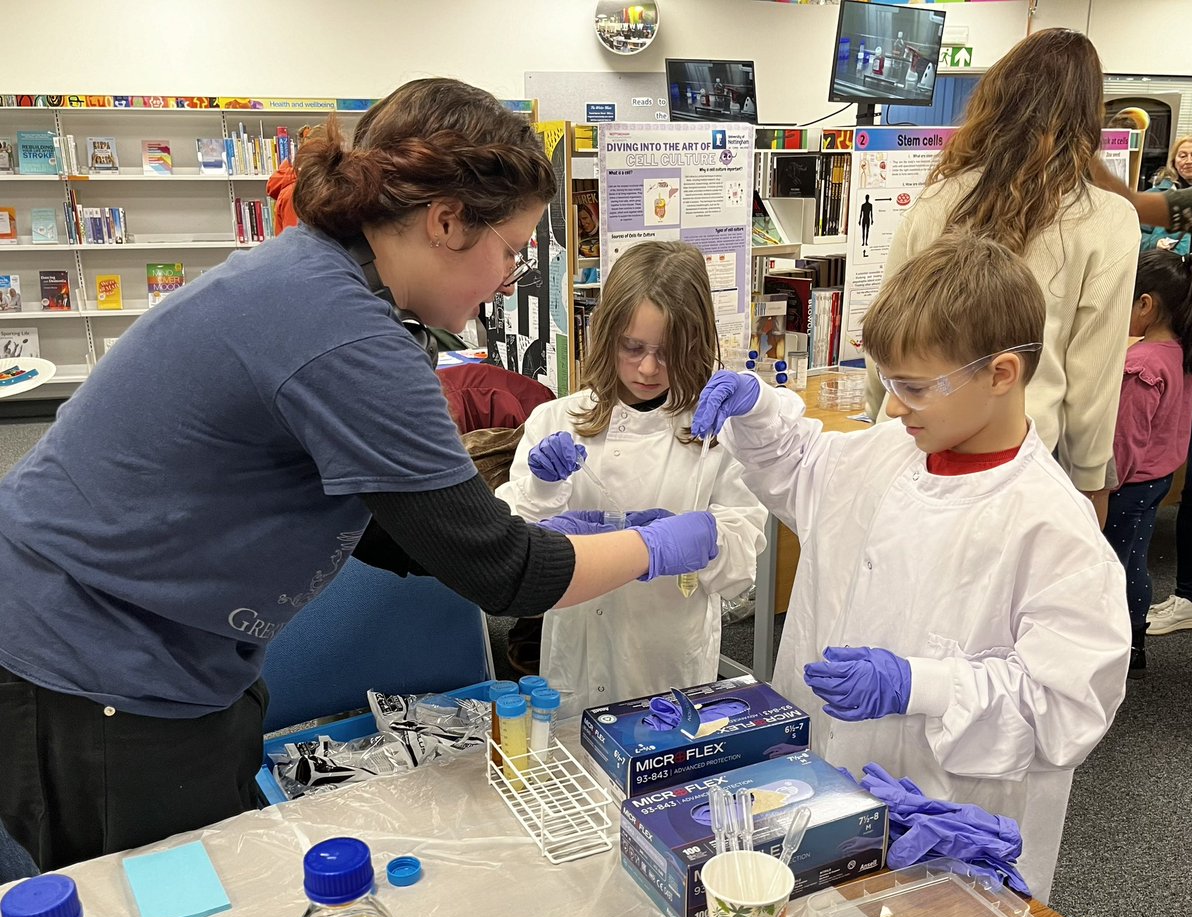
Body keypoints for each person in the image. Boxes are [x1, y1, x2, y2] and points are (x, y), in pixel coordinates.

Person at [0, 79, 719, 872]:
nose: (511, 276)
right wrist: (652, 545)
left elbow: (382, 517)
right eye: (512, 249)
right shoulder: (343, 330)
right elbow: (505, 575)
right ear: (446, 222)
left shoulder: (321, 279)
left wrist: (526, 532)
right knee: (161, 916)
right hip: (93, 661)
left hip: (170, 648)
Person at [691, 234, 1129, 901]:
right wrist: (756, 412)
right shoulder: (888, 453)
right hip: (824, 793)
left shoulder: (1053, 527)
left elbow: (1065, 709)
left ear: (1001, 374)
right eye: (891, 382)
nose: (894, 406)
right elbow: (804, 469)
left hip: (947, 830)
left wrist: (918, 686)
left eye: (915, 387)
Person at [864, 29, 1140, 525]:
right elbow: (1092, 377)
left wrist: (878, 413)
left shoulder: (939, 199)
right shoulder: (1108, 219)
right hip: (1017, 458)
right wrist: (1090, 479)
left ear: (994, 98)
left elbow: (885, 333)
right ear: (1088, 116)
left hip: (917, 447)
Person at [496, 241, 767, 715]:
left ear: (697, 343)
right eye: (632, 347)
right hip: (576, 654)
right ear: (606, 335)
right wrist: (542, 486)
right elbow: (511, 546)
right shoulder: (555, 420)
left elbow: (740, 570)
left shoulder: (717, 434)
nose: (647, 368)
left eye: (667, 352)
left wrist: (701, 540)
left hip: (668, 656)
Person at [1103, 250, 1192, 673]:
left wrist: (1105, 487)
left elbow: (1125, 440)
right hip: (1158, 477)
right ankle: (1135, 641)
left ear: (1146, 304)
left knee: (1110, 565)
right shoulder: (1181, 352)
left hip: (1129, 483)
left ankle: (1119, 647)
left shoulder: (1141, 365)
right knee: (1134, 558)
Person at [1139, 134, 1192, 255]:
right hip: (1167, 269)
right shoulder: (1154, 197)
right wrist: (1154, 243)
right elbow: (1131, 236)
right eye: (1182, 156)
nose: (1188, 161)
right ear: (1173, 162)